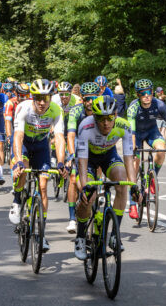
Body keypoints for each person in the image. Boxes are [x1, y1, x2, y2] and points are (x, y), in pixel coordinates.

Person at [73, 95, 140, 260]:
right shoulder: (85, 126)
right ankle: (81, 237)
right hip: (87, 159)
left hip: (109, 156)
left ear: (115, 115)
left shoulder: (123, 126)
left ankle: (114, 235)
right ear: (94, 117)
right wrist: (85, 187)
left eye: (110, 118)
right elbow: (81, 161)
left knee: (122, 181)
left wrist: (133, 186)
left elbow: (128, 157)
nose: (106, 123)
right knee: (88, 196)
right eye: (101, 118)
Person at [9, 79, 68, 252]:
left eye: (46, 98)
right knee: (23, 171)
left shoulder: (56, 110)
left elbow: (59, 138)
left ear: (51, 98)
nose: (42, 102)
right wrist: (18, 160)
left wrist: (60, 162)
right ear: (33, 97)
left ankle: (41, 233)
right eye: (39, 98)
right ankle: (17, 201)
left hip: (41, 146)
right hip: (25, 145)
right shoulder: (24, 108)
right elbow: (18, 136)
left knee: (43, 186)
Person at [126, 79, 166, 218]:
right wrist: (133, 149)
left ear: (153, 92)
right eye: (143, 93)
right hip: (135, 134)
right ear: (138, 95)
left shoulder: (159, 104)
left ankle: (152, 177)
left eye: (149, 92)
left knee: (161, 150)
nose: (146, 95)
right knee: (135, 164)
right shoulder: (133, 107)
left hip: (151, 132)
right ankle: (132, 204)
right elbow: (131, 132)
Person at [64, 82, 100, 234]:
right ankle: (72, 218)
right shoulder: (75, 111)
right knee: (73, 178)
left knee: (96, 176)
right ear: (82, 99)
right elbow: (71, 135)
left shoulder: (103, 109)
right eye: (87, 99)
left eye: (93, 98)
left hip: (96, 142)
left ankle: (94, 202)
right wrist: (72, 155)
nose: (90, 102)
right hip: (79, 141)